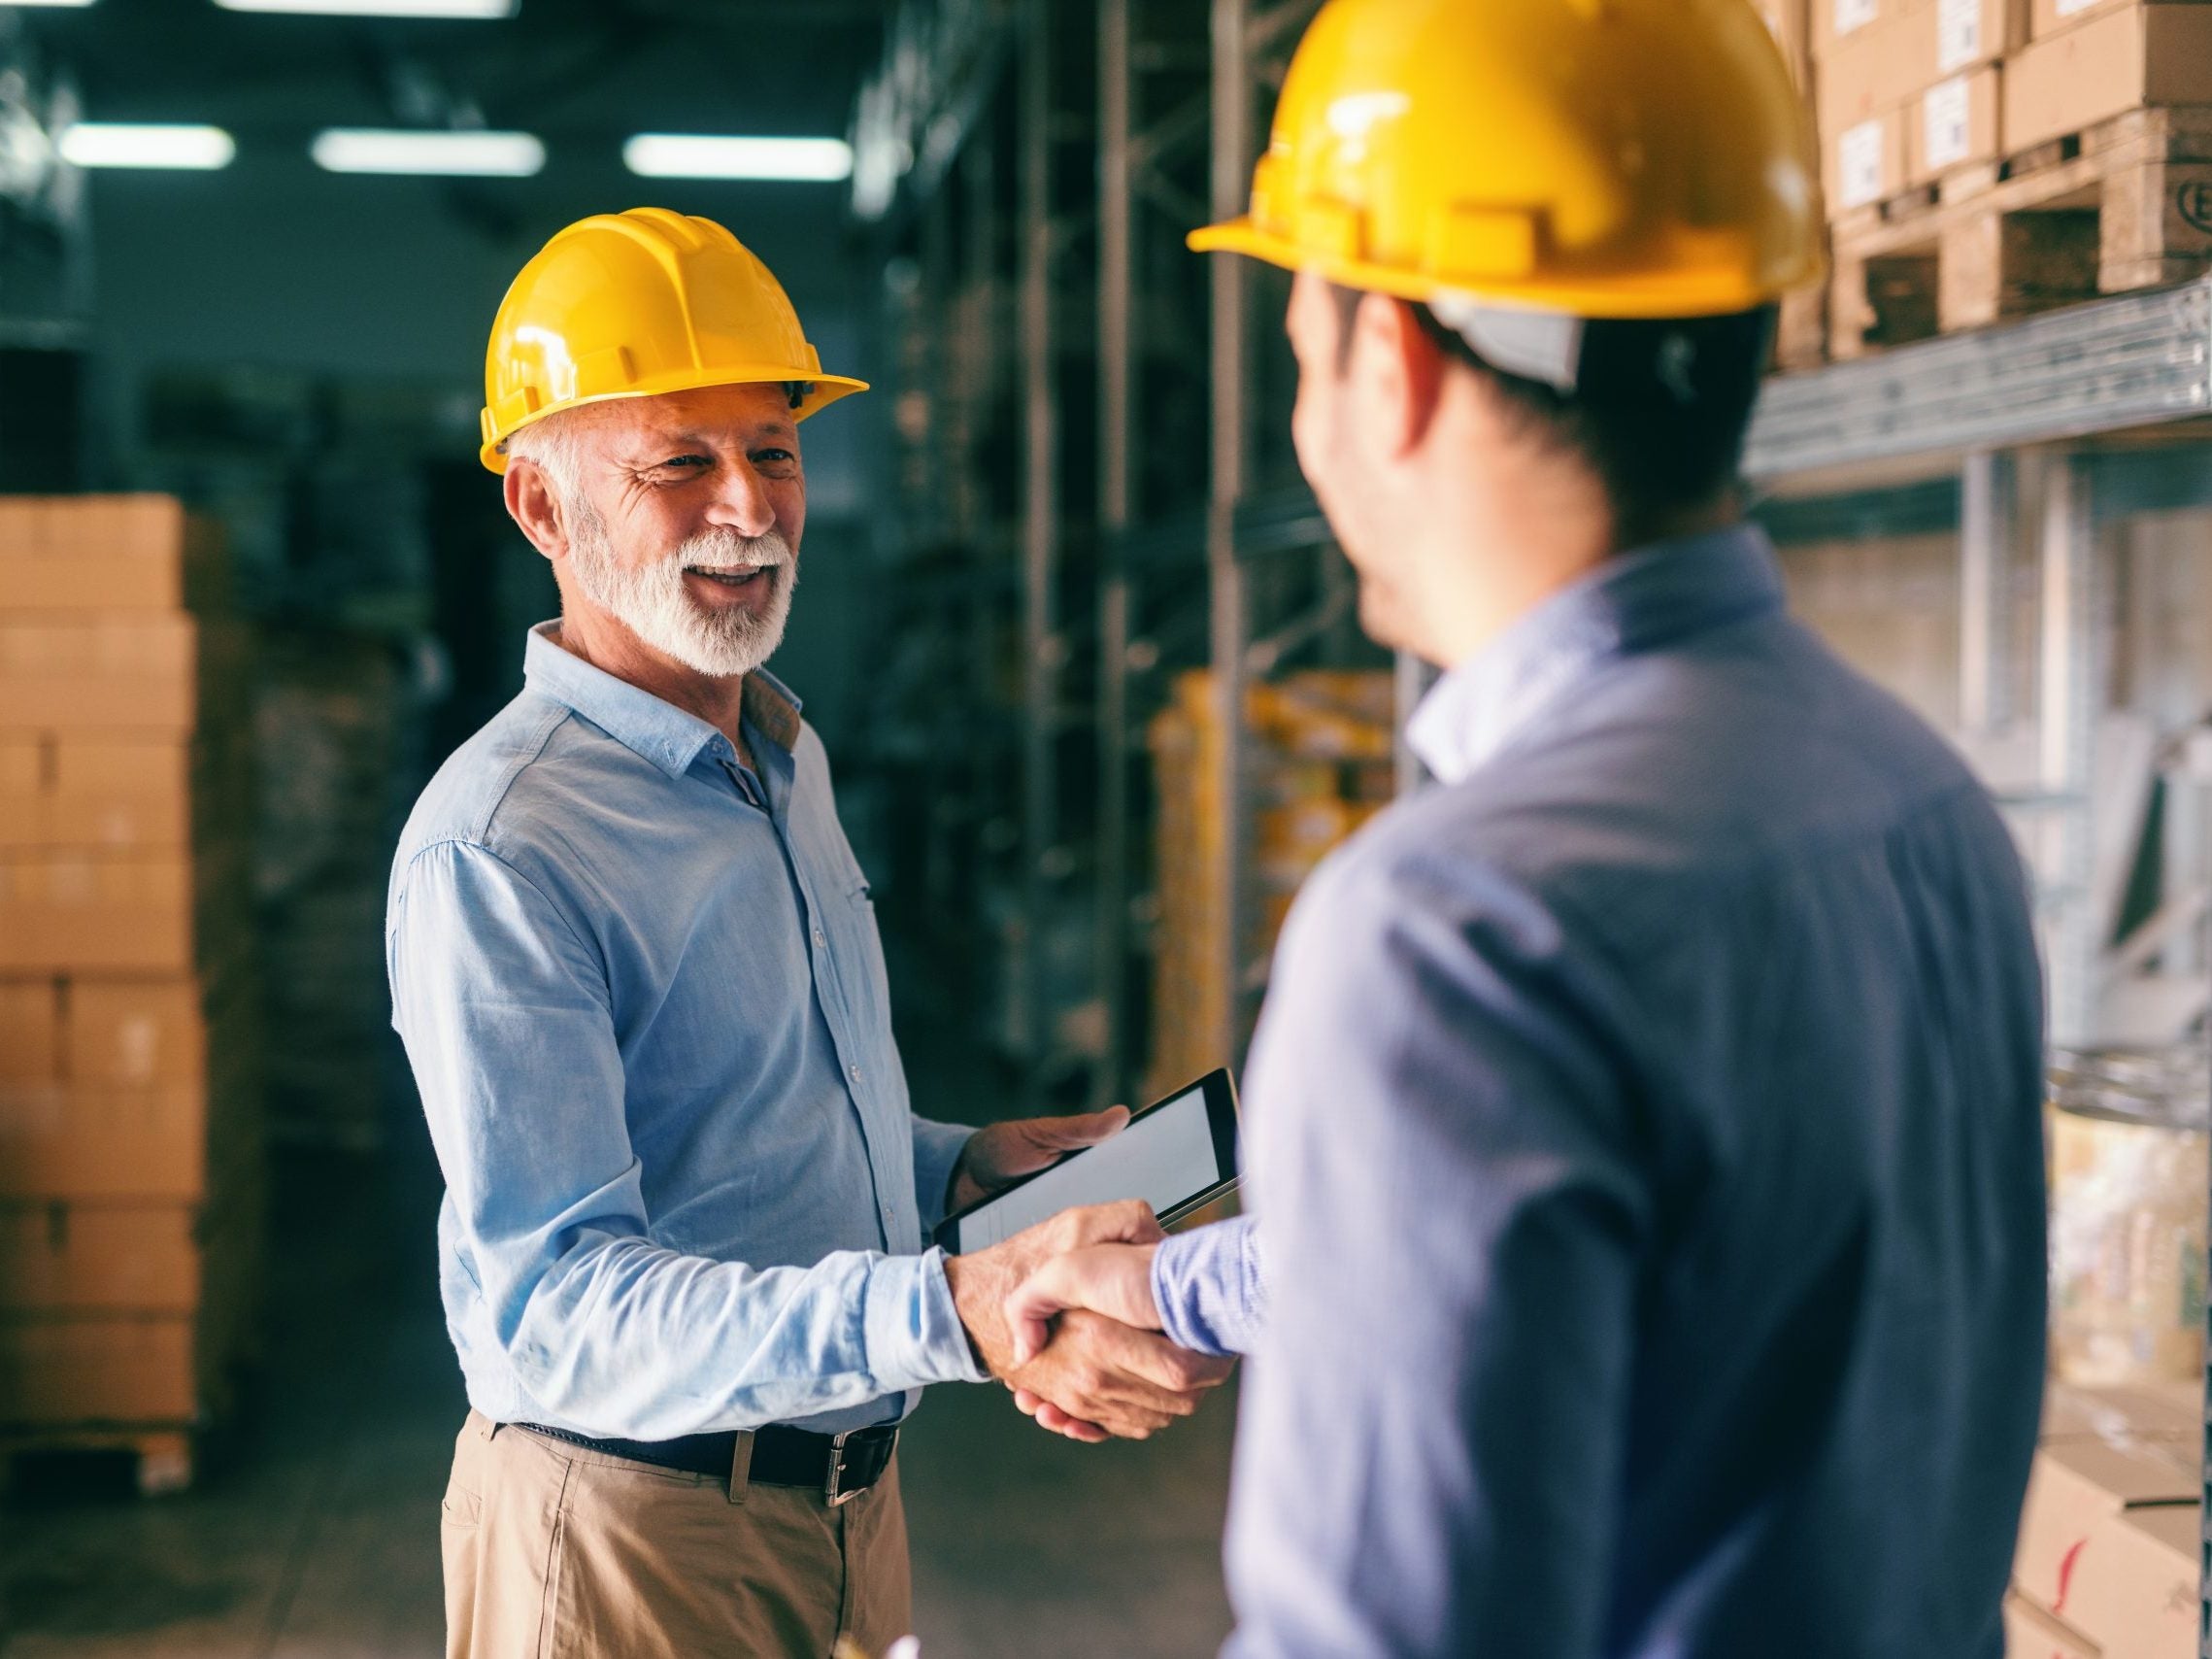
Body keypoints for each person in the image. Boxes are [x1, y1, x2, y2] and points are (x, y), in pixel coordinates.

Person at [1004, 3, 2049, 1655]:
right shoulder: (1918, 804)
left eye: (1297, 351)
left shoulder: (1448, 931)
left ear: (1391, 369)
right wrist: (1178, 1285)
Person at [386, 208, 1228, 1659]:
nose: (748, 509)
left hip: (846, 1507)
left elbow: (741, 1129)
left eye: (771, 453)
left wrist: (953, 1165)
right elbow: (555, 1309)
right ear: (537, 508)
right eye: (679, 465)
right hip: (630, 1541)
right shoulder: (504, 849)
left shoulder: (780, 755)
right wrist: (957, 1307)